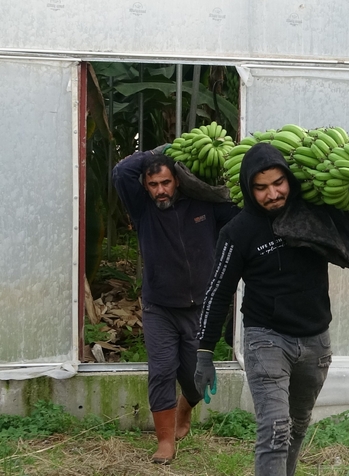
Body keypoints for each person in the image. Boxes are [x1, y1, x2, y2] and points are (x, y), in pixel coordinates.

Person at [194, 142, 349, 475]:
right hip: (267, 339)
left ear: (288, 178)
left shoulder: (313, 212)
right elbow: (217, 291)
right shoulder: (238, 231)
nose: (272, 194)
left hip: (315, 340)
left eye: (278, 183)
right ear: (248, 187)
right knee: (274, 430)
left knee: (297, 427)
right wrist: (203, 351)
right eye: (261, 187)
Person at [112, 145, 239, 464]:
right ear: (146, 186)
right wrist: (164, 150)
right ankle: (165, 442)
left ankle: (185, 408)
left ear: (178, 180)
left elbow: (241, 208)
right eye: (153, 184)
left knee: (195, 379)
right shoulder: (143, 210)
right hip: (160, 308)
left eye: (165, 182)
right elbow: (121, 172)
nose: (160, 190)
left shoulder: (204, 205)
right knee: (161, 371)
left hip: (200, 309)